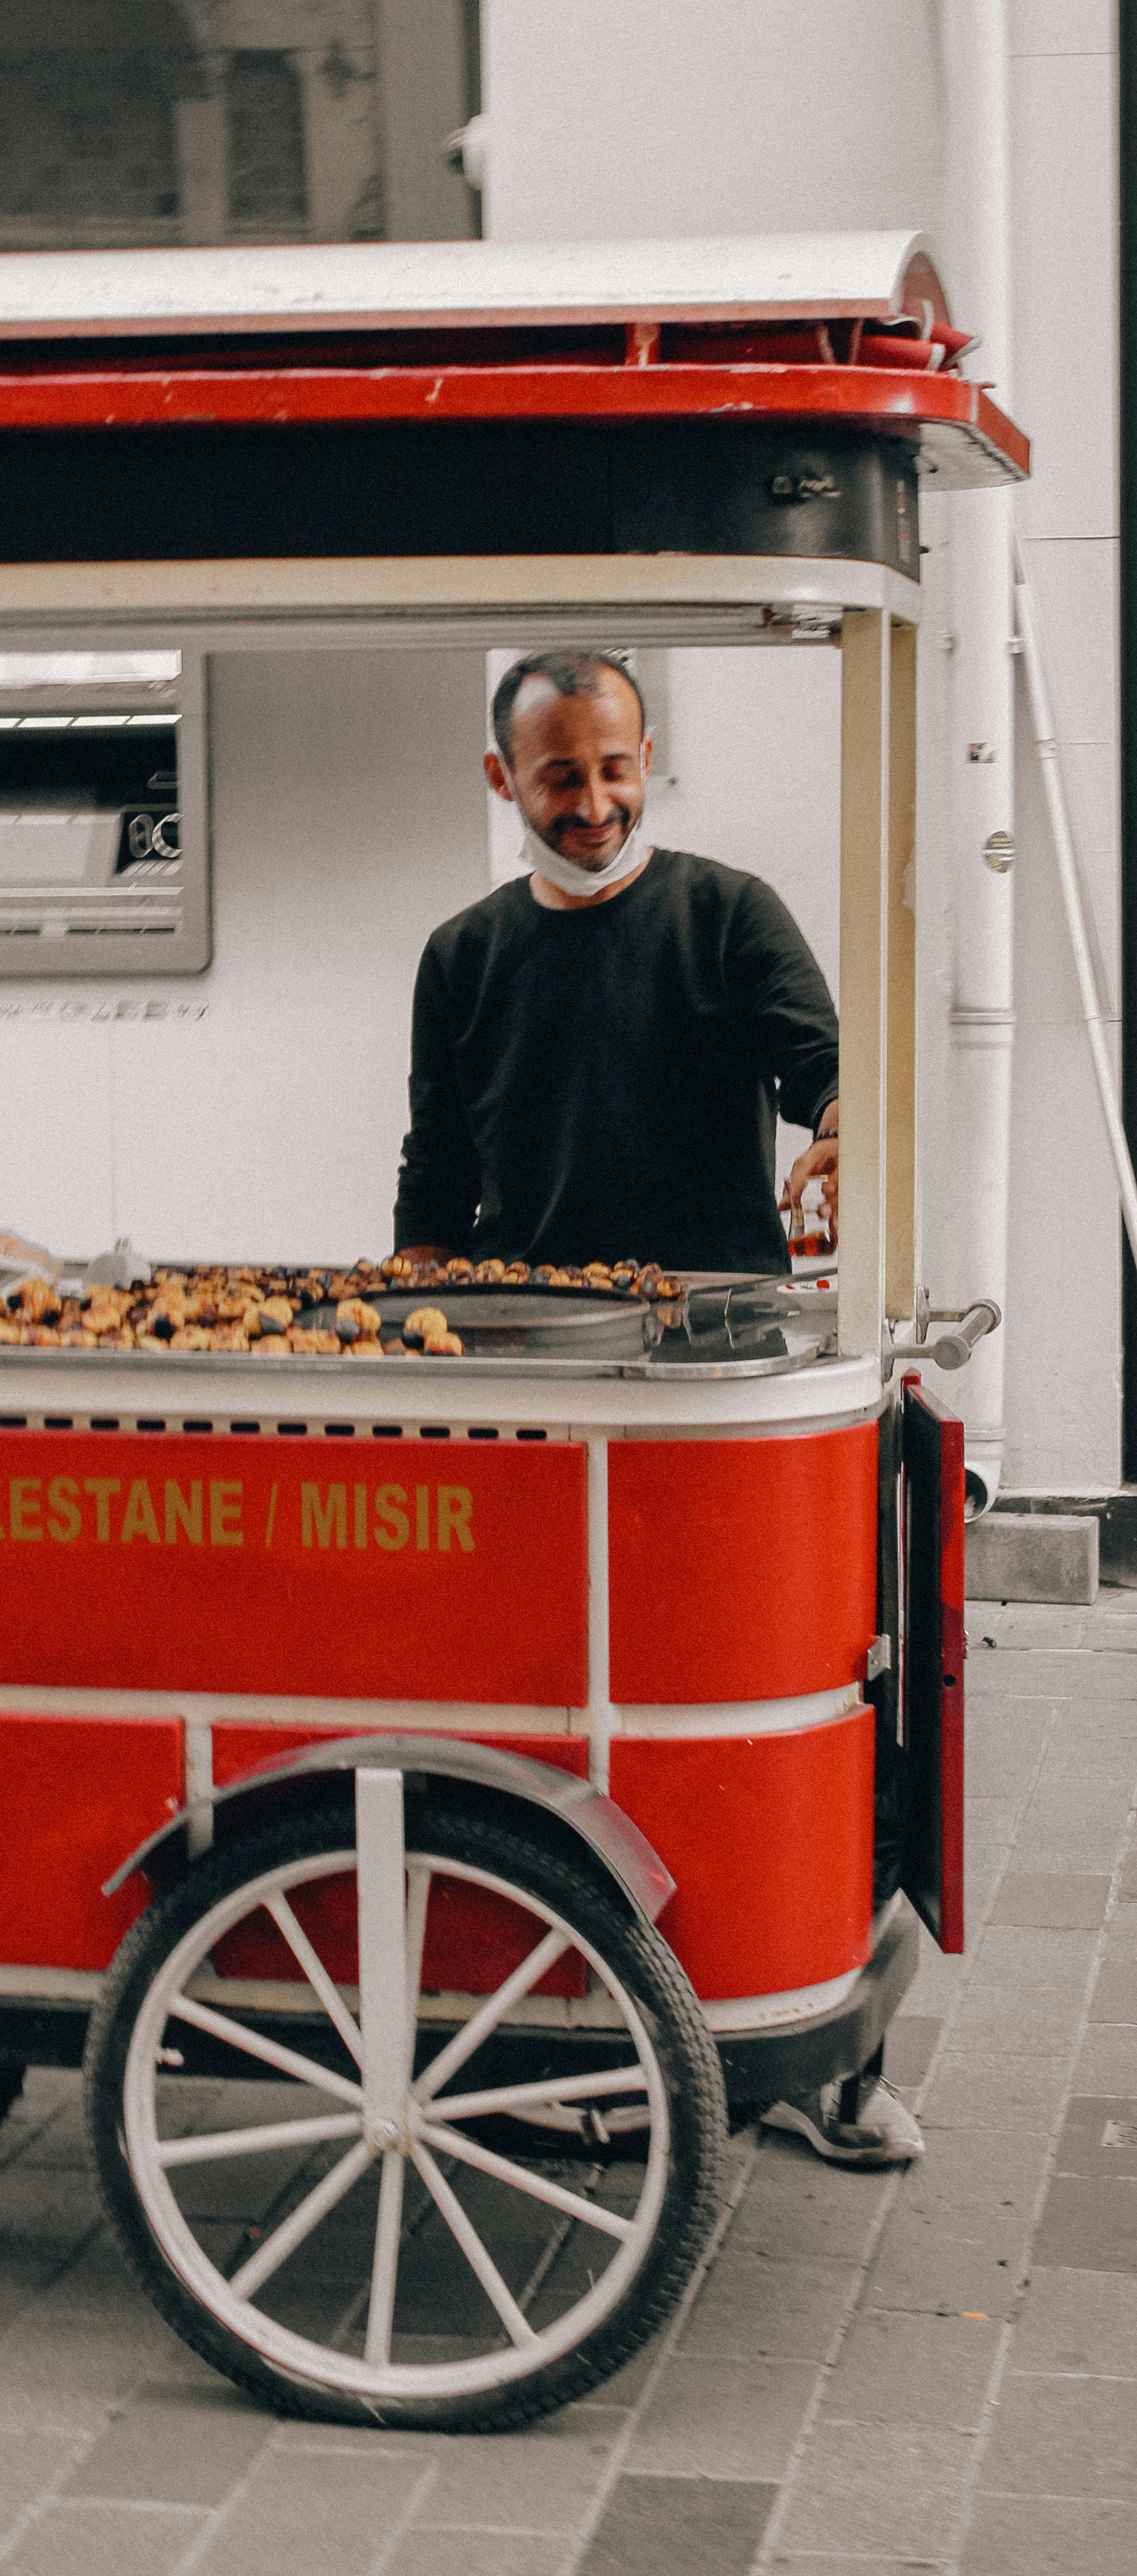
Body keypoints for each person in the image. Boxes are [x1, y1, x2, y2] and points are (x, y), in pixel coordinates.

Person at [393, 646, 919, 2170]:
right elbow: (438, 1171)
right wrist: (407, 1313)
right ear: (506, 783)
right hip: (533, 1386)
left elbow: (833, 1076)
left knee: (776, 1721)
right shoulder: (461, 956)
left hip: (721, 1394)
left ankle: (828, 2059)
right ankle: (579, 2035)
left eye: (617, 768)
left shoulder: (729, 914)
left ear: (648, 758)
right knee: (553, 1715)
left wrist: (839, 1132)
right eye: (561, 776)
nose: (596, 802)